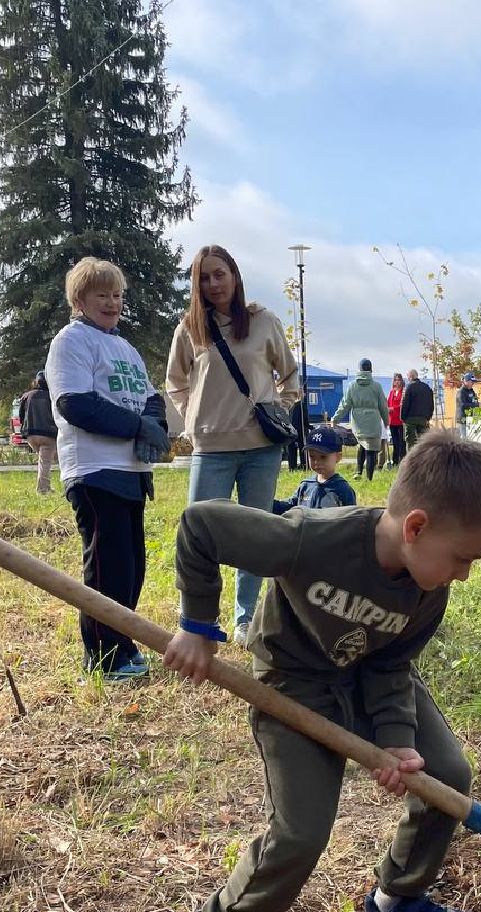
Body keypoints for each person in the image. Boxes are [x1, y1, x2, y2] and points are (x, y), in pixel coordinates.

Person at [163, 430, 481, 912]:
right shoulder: (314, 539)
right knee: (302, 830)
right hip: (294, 686)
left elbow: (393, 665)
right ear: (416, 527)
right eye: (463, 558)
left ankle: (397, 901)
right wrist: (198, 627)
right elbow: (202, 526)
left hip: (366, 676)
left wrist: (397, 740)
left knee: (444, 776)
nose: (464, 574)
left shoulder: (429, 589)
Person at [167, 245, 302, 643]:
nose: (213, 284)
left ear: (235, 275)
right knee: (197, 535)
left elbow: (290, 376)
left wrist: (278, 408)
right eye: (204, 277)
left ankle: (245, 619)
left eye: (219, 274)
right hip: (210, 448)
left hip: (262, 447)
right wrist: (195, 418)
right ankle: (197, 618)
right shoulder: (189, 328)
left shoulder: (263, 321)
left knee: (254, 536)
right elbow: (176, 382)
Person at [46, 256, 170, 681]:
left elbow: (151, 396)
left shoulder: (125, 347)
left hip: (132, 472)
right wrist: (138, 426)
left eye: (117, 295)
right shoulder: (72, 341)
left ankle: (122, 645)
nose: (112, 302)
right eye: (102, 294)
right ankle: (103, 657)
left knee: (133, 566)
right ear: (79, 299)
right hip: (95, 470)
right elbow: (74, 403)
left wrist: (154, 424)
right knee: (106, 567)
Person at [272, 426, 356, 513]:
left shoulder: (342, 489)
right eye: (312, 456)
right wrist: (270, 504)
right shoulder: (306, 485)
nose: (316, 462)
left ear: (338, 457)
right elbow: (290, 506)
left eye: (323, 457)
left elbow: (352, 520)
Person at [333, 358, 388, 480]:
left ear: (359, 369)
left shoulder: (352, 386)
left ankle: (358, 471)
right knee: (371, 449)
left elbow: (345, 404)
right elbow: (383, 405)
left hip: (358, 421)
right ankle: (369, 477)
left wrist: (336, 418)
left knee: (361, 444)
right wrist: (386, 420)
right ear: (371, 369)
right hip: (373, 421)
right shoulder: (377, 386)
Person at [19, 369, 59, 494]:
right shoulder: (52, 396)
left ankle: (45, 486)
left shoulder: (26, 395)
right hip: (48, 433)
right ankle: (43, 489)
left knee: (45, 460)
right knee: (47, 461)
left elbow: (21, 415)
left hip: (30, 434)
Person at [400, 368, 434, 450]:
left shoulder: (409, 387)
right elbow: (431, 404)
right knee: (424, 442)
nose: (408, 379)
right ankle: (424, 460)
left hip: (410, 419)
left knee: (410, 442)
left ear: (411, 376)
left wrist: (403, 417)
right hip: (423, 419)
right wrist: (428, 417)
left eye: (408, 377)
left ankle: (411, 460)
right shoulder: (427, 388)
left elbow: (405, 404)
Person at [386, 372, 406, 468]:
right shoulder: (391, 392)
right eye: (395, 380)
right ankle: (395, 461)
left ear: (402, 381)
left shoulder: (403, 392)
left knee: (401, 442)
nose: (397, 382)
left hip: (400, 420)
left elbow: (402, 405)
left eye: (399, 380)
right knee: (394, 442)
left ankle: (402, 460)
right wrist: (387, 409)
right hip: (392, 420)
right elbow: (388, 403)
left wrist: (393, 408)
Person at [455, 373, 480, 439]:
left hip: (470, 418)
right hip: (462, 418)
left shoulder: (471, 390)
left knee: (470, 438)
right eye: (472, 382)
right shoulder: (461, 391)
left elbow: (474, 400)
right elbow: (462, 405)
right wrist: (476, 405)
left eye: (473, 382)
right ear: (466, 381)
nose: (473, 383)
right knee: (463, 438)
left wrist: (477, 403)